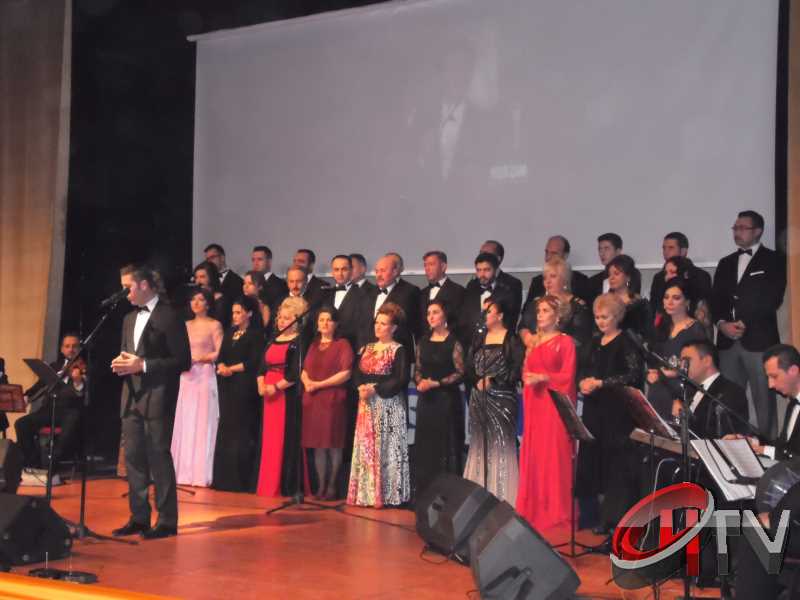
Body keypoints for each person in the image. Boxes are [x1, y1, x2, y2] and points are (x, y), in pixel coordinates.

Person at [111, 265, 190, 540]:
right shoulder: (128, 318)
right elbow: (128, 354)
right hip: (131, 397)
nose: (125, 293)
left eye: (128, 287)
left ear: (144, 285)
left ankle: (167, 521)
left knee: (158, 457)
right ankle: (139, 517)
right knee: (133, 458)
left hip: (158, 396)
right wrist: (122, 364)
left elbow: (183, 361)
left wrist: (143, 365)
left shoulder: (170, 316)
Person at [712, 210, 786, 441]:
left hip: (759, 340)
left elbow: (772, 298)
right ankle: (732, 448)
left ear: (758, 231)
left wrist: (745, 322)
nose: (737, 232)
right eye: (735, 228)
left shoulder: (774, 260)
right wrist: (721, 324)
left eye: (742, 228)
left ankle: (768, 449)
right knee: (728, 400)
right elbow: (716, 300)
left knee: (764, 400)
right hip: (727, 341)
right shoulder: (725, 263)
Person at [576, 292, 644, 535]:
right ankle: (596, 516)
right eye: (597, 317)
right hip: (594, 410)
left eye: (604, 317)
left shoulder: (627, 341)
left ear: (617, 316)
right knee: (593, 461)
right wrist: (582, 382)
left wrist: (602, 383)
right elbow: (582, 368)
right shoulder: (594, 341)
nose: (600, 322)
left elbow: (633, 375)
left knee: (616, 465)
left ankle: (615, 519)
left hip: (617, 412)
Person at [516, 296, 577, 531]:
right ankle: (534, 508)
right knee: (535, 454)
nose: (539, 315)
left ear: (558, 316)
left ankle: (555, 512)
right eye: (538, 310)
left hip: (554, 407)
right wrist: (529, 377)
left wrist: (544, 377)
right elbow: (526, 371)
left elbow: (568, 377)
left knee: (554, 456)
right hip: (535, 404)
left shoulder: (565, 342)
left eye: (545, 311)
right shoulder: (534, 342)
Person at [348, 302, 411, 507]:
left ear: (393, 327)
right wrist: (360, 387)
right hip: (366, 405)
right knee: (367, 448)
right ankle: (366, 494)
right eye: (377, 322)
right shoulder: (366, 348)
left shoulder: (398, 349)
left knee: (387, 449)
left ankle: (388, 495)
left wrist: (375, 389)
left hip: (388, 406)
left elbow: (401, 378)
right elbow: (356, 373)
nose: (378, 326)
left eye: (383, 323)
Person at [463, 295, 524, 503]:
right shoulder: (478, 339)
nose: (484, 315)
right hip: (479, 398)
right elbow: (468, 367)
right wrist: (476, 381)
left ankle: (503, 495)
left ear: (500, 315)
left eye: (488, 311)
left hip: (502, 399)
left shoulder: (511, 339)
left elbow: (516, 369)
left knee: (502, 443)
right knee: (479, 443)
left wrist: (494, 380)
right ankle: (479, 493)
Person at [170, 288, 223, 487]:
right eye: (193, 299)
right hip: (186, 376)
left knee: (202, 421)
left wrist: (201, 358)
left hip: (204, 374)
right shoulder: (185, 325)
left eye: (200, 299)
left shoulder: (214, 324)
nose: (196, 303)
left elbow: (219, 351)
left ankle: (200, 474)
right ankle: (182, 472)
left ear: (208, 303)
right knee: (185, 420)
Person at [300, 306, 354, 500]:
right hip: (313, 399)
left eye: (329, 320)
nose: (324, 323)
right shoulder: (313, 344)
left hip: (332, 399)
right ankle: (321, 487)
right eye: (321, 319)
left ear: (336, 323)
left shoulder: (342, 344)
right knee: (318, 445)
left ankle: (332, 486)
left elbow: (346, 373)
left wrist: (319, 384)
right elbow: (304, 370)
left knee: (333, 444)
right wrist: (307, 382)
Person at [414, 299, 466, 497]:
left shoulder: (454, 342)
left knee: (446, 444)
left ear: (445, 316)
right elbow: (418, 369)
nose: (431, 316)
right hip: (426, 400)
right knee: (426, 445)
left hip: (446, 400)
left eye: (435, 312)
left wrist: (437, 383)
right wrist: (420, 382)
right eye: (428, 313)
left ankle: (447, 495)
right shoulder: (423, 341)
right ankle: (425, 492)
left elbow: (460, 372)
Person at [256, 296, 307, 498]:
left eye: (287, 318)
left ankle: (282, 484)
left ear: (296, 320)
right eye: (280, 317)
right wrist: (261, 385)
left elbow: (295, 373)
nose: (282, 321)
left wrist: (275, 387)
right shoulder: (272, 339)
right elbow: (261, 366)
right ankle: (267, 482)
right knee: (268, 438)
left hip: (285, 394)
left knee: (283, 438)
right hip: (267, 393)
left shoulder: (298, 342)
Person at [212, 296, 263, 492]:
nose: (235, 316)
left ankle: (241, 480)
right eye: (233, 312)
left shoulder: (256, 335)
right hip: (227, 384)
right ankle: (223, 479)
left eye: (239, 312)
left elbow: (254, 361)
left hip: (244, 385)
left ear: (249, 313)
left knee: (242, 430)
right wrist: (222, 366)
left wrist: (231, 369)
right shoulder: (230, 332)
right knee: (227, 428)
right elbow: (221, 356)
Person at [15, 333, 86, 468]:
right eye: (67, 346)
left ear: (79, 348)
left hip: (70, 411)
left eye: (74, 346)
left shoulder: (84, 367)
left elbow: (83, 393)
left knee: (72, 423)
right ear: (62, 349)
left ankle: (52, 466)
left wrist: (78, 381)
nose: (71, 349)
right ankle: (33, 465)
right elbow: (39, 386)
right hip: (49, 409)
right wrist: (26, 397)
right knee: (21, 424)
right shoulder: (54, 366)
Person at [645, 279, 708, 420]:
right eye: (666, 297)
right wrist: (650, 373)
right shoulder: (661, 327)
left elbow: (701, 369)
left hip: (682, 392)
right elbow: (652, 360)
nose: (669, 302)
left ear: (687, 302)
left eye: (676, 298)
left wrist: (675, 373)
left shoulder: (695, 329)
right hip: (658, 389)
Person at [518, 256, 592, 368]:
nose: (547, 281)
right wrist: (529, 339)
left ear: (564, 279)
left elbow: (580, 338)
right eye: (545, 278)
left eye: (553, 276)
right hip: (535, 358)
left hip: (563, 362)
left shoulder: (577, 306)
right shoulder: (536, 302)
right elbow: (523, 326)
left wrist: (550, 345)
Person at [736, 345, 800, 460]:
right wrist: (753, 443)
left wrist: (764, 450)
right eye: (768, 378)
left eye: (774, 376)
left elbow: (794, 455)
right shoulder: (793, 404)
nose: (770, 385)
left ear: (793, 371)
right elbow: (785, 447)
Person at [676, 340, 748, 439]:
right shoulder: (689, 390)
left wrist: (687, 417)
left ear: (707, 361)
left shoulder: (731, 391)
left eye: (687, 361)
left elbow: (723, 435)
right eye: (681, 362)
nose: (682, 366)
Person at [358, 254, 420, 358]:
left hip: (397, 354)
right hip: (371, 352)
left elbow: (414, 325)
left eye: (383, 271)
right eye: (376, 271)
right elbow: (362, 324)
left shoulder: (410, 292)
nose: (378, 275)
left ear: (395, 272)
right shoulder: (368, 293)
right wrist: (363, 347)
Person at [460, 252, 517, 351]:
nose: (482, 274)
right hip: (472, 345)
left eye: (486, 270)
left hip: (498, 344)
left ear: (495, 270)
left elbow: (509, 321)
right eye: (478, 270)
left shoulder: (506, 291)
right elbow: (466, 316)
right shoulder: (471, 287)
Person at [648, 232, 711, 319]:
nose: (666, 252)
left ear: (683, 251)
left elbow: (702, 305)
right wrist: (664, 283)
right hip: (665, 323)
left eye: (671, 248)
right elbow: (654, 306)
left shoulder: (701, 276)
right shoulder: (659, 277)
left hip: (693, 323)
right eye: (664, 248)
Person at [522, 235, 590, 314]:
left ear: (565, 255)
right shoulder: (537, 281)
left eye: (554, 253)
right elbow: (526, 312)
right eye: (546, 252)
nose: (548, 257)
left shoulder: (580, 281)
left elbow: (585, 313)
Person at [465, 240, 522, 329]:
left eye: (487, 254)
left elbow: (510, 320)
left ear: (498, 259)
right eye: (481, 253)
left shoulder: (512, 285)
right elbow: (467, 316)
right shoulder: (472, 285)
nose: (482, 256)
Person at [418, 250, 464, 335]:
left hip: (449, 340)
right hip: (425, 341)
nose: (427, 269)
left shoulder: (458, 291)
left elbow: (460, 322)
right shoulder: (422, 293)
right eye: (425, 265)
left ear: (443, 267)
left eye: (431, 264)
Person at [606, 254, 651, 338]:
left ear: (628, 277)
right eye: (609, 274)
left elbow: (646, 334)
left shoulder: (640, 305)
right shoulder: (604, 302)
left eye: (616, 274)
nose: (611, 278)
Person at [586, 232, 624, 305]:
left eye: (606, 249)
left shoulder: (628, 277)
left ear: (618, 251)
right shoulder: (593, 281)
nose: (602, 253)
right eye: (600, 249)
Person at [193, 261, 229, 329]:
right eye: (196, 277)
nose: (198, 281)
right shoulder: (195, 298)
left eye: (202, 277)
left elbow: (219, 324)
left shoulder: (220, 299)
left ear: (212, 277)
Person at [251, 245, 288, 310]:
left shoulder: (280, 285)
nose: (255, 263)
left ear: (269, 262)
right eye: (253, 260)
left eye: (260, 259)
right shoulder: (249, 284)